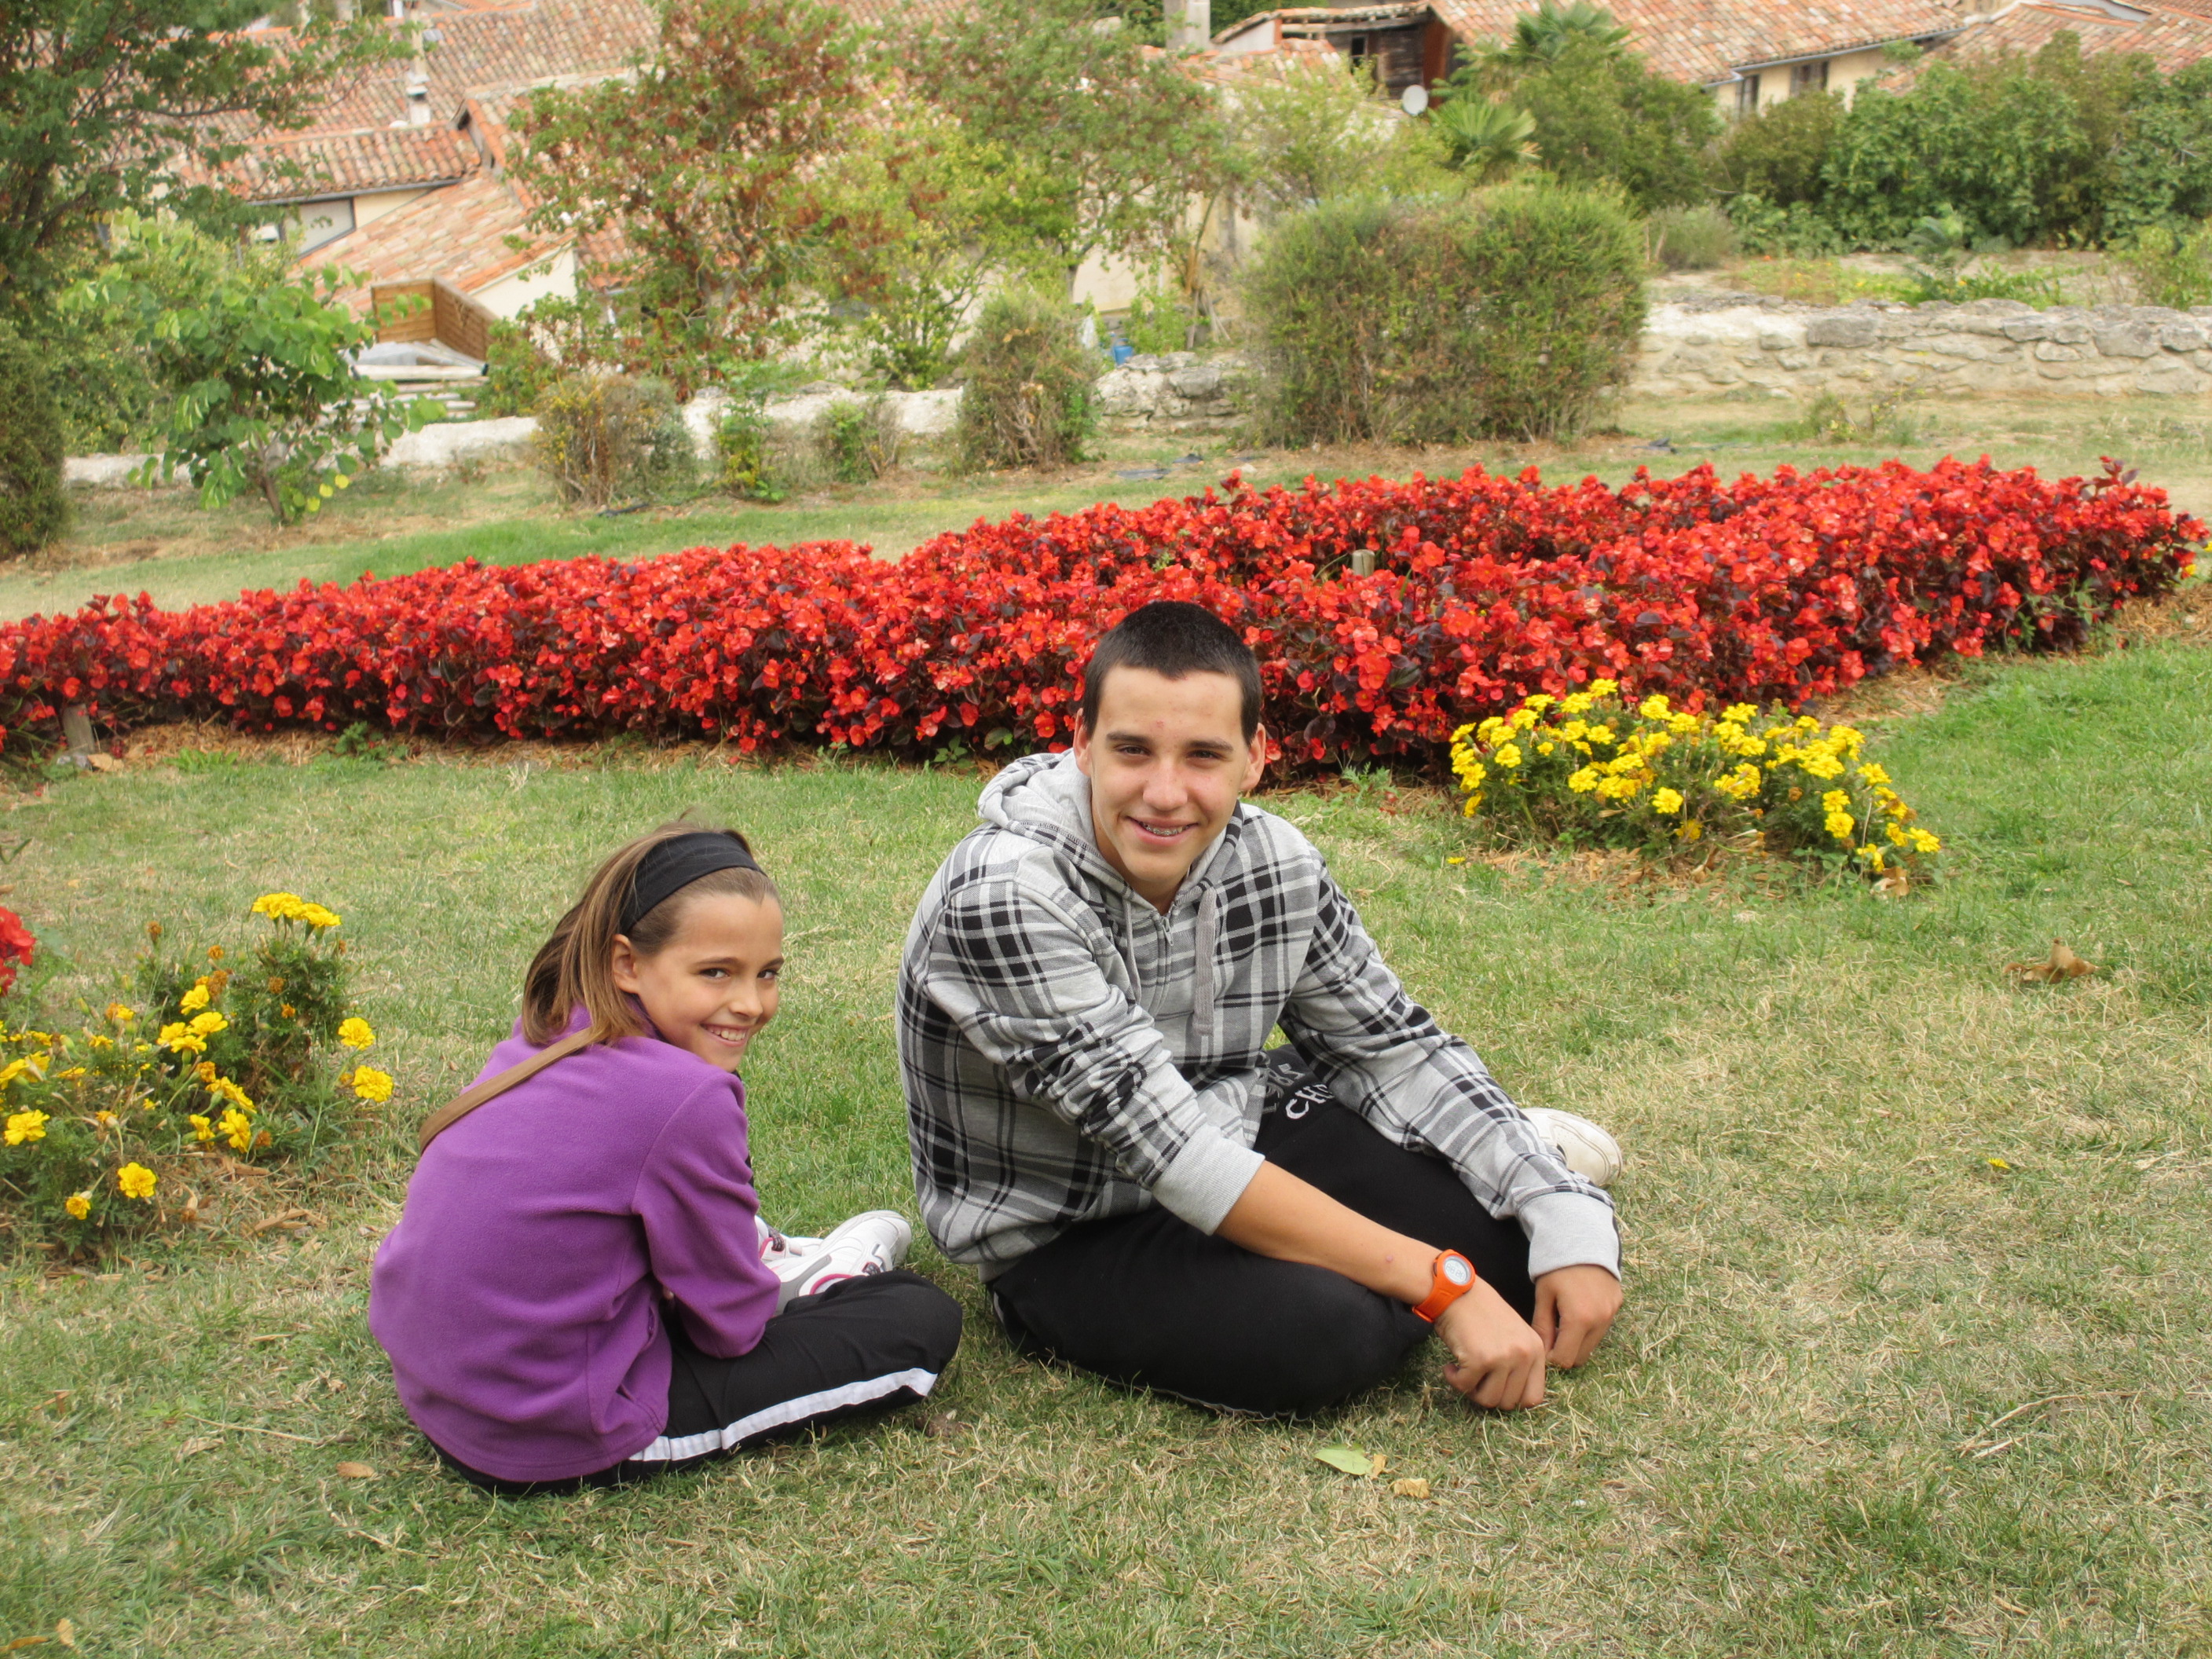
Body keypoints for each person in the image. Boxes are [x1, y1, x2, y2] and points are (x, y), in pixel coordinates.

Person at [897, 602, 1623, 1418]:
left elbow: (1393, 1048)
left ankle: (1493, 1160)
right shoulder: (1003, 895)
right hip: (1072, 1227)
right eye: (1132, 750)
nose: (1164, 793)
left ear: (1255, 757)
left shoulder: (1276, 861)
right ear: (1082, 743)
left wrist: (1561, 1204)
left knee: (1516, 1240)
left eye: (1203, 756)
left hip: (1236, 1125)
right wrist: (1445, 1285)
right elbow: (1177, 1157)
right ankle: (1369, 1218)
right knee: (1328, 1334)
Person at [372, 825, 962, 1494]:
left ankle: (763, 1253)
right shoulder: (686, 1095)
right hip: (551, 1429)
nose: (752, 1004)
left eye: (768, 973)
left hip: (440, 1390)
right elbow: (730, 1329)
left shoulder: (553, 1030)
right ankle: (828, 1276)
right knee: (916, 1317)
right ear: (627, 964)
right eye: (716, 972)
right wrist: (735, 1293)